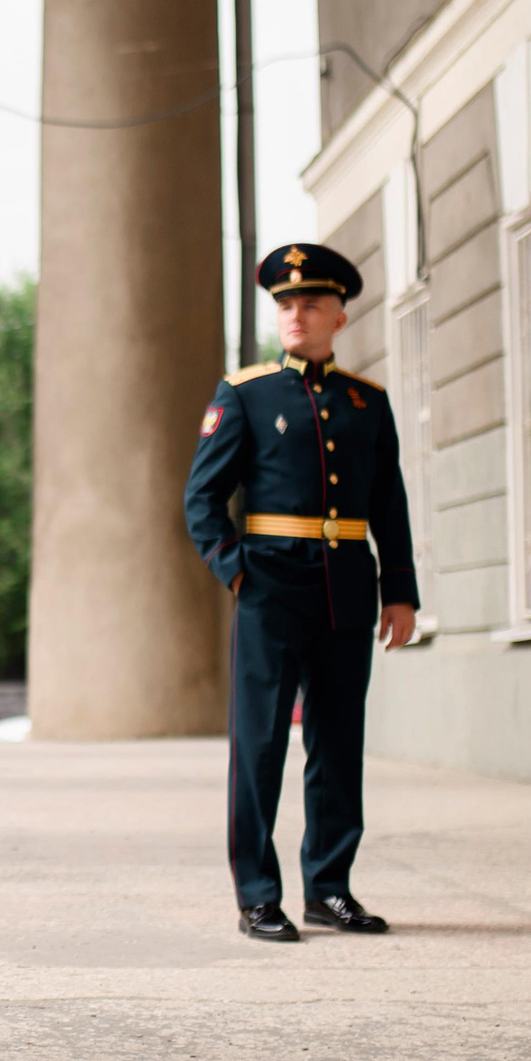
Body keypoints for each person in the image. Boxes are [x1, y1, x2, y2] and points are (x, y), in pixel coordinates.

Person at [183, 244, 418, 943]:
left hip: (347, 587)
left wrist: (399, 591)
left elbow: (390, 504)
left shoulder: (365, 402)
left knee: (339, 742)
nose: (295, 314)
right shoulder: (246, 393)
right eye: (285, 304)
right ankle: (258, 894)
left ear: (339, 316)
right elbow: (202, 497)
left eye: (310, 303)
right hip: (270, 589)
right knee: (259, 746)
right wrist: (234, 568)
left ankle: (330, 888)